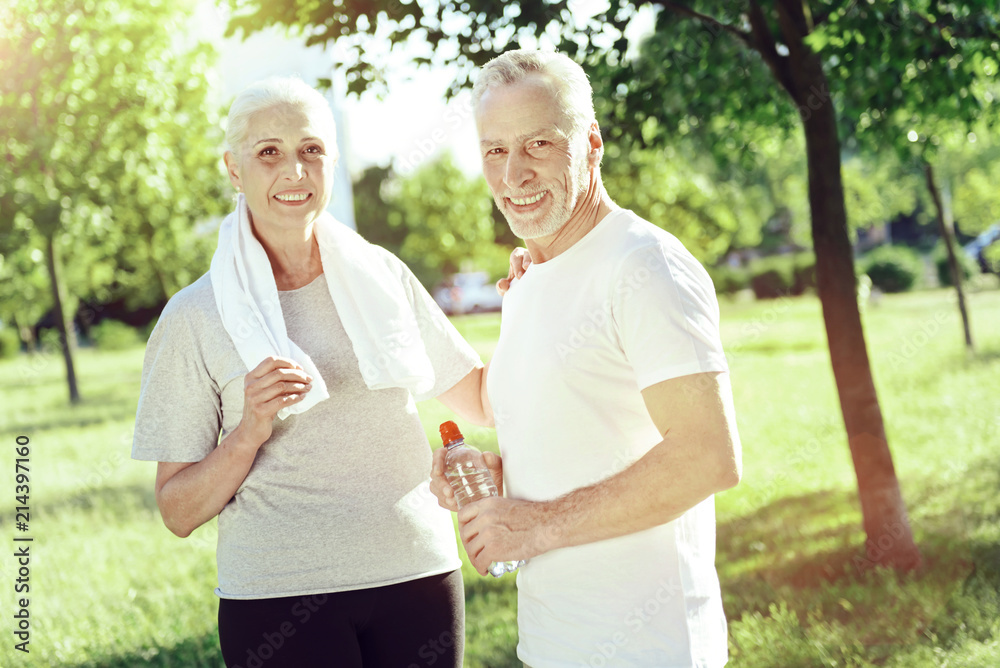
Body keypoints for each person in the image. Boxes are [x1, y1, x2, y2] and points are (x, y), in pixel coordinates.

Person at [132, 77, 494, 668]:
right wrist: (248, 430)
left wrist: (539, 298)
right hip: (279, 599)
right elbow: (178, 511)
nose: (294, 171)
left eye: (312, 150)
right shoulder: (193, 317)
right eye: (268, 152)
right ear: (233, 168)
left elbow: (479, 399)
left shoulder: (383, 276)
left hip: (418, 576)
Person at [430, 50, 742, 667]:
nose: (513, 173)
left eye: (538, 144)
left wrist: (537, 524)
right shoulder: (531, 275)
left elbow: (708, 456)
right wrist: (496, 477)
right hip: (554, 643)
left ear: (591, 143)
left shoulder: (644, 265)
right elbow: (554, 415)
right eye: (495, 150)